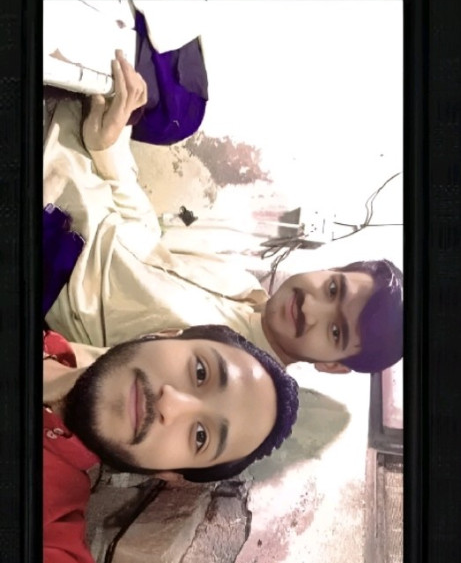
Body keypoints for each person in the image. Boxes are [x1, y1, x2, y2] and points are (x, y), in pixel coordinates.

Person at [43, 54, 403, 375]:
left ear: (333, 365)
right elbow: (148, 243)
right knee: (177, 90)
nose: (311, 308)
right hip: (83, 179)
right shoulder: (245, 289)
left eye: (336, 331)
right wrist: (108, 147)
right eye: (333, 288)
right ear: (331, 269)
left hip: (55, 240)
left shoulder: (223, 374)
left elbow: (94, 375)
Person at [43, 324, 299, 563]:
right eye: (201, 372)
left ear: (167, 473)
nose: (171, 404)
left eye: (200, 436)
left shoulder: (54, 546)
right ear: (165, 333)